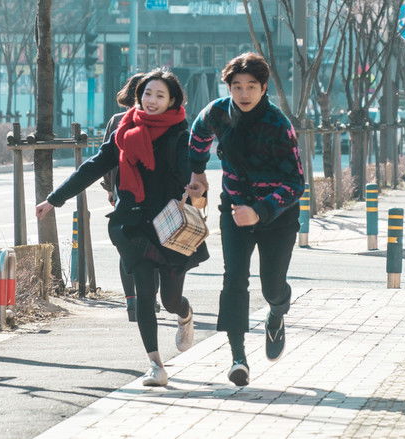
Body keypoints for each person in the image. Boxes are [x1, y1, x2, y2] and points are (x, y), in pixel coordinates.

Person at [37, 69, 209, 386]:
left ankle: (184, 315)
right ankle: (156, 365)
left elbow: (191, 174)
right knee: (144, 293)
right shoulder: (124, 130)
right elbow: (94, 166)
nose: (152, 100)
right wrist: (54, 198)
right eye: (147, 94)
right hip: (133, 222)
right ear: (139, 96)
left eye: (160, 95)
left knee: (170, 299)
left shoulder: (180, 135)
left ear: (172, 100)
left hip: (168, 225)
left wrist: (197, 187)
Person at [186, 53, 304, 386]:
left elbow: (296, 183)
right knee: (234, 280)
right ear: (229, 88)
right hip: (235, 211)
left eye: (251, 86)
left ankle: (277, 312)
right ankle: (238, 358)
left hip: (277, 216)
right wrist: (197, 171)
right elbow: (198, 133)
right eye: (237, 86)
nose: (244, 93)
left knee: (272, 286)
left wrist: (261, 210)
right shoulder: (218, 112)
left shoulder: (278, 124)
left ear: (264, 88)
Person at [100, 72, 161, 322]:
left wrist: (110, 190)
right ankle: (150, 299)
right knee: (153, 248)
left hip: (121, 192)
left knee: (126, 248)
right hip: (150, 195)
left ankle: (131, 303)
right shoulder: (157, 122)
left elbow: (105, 160)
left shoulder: (116, 121)